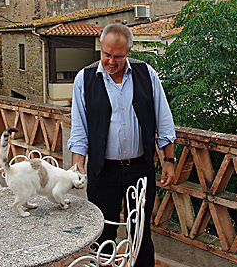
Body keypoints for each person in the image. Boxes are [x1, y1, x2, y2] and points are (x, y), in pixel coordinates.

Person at [68, 23, 176, 267]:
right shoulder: (84, 79)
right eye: (106, 54)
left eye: (118, 56)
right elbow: (79, 128)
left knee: (141, 233)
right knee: (101, 232)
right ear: (101, 49)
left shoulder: (146, 73)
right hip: (103, 170)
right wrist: (78, 165)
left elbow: (164, 119)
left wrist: (168, 160)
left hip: (140, 169)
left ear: (128, 52)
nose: (111, 61)